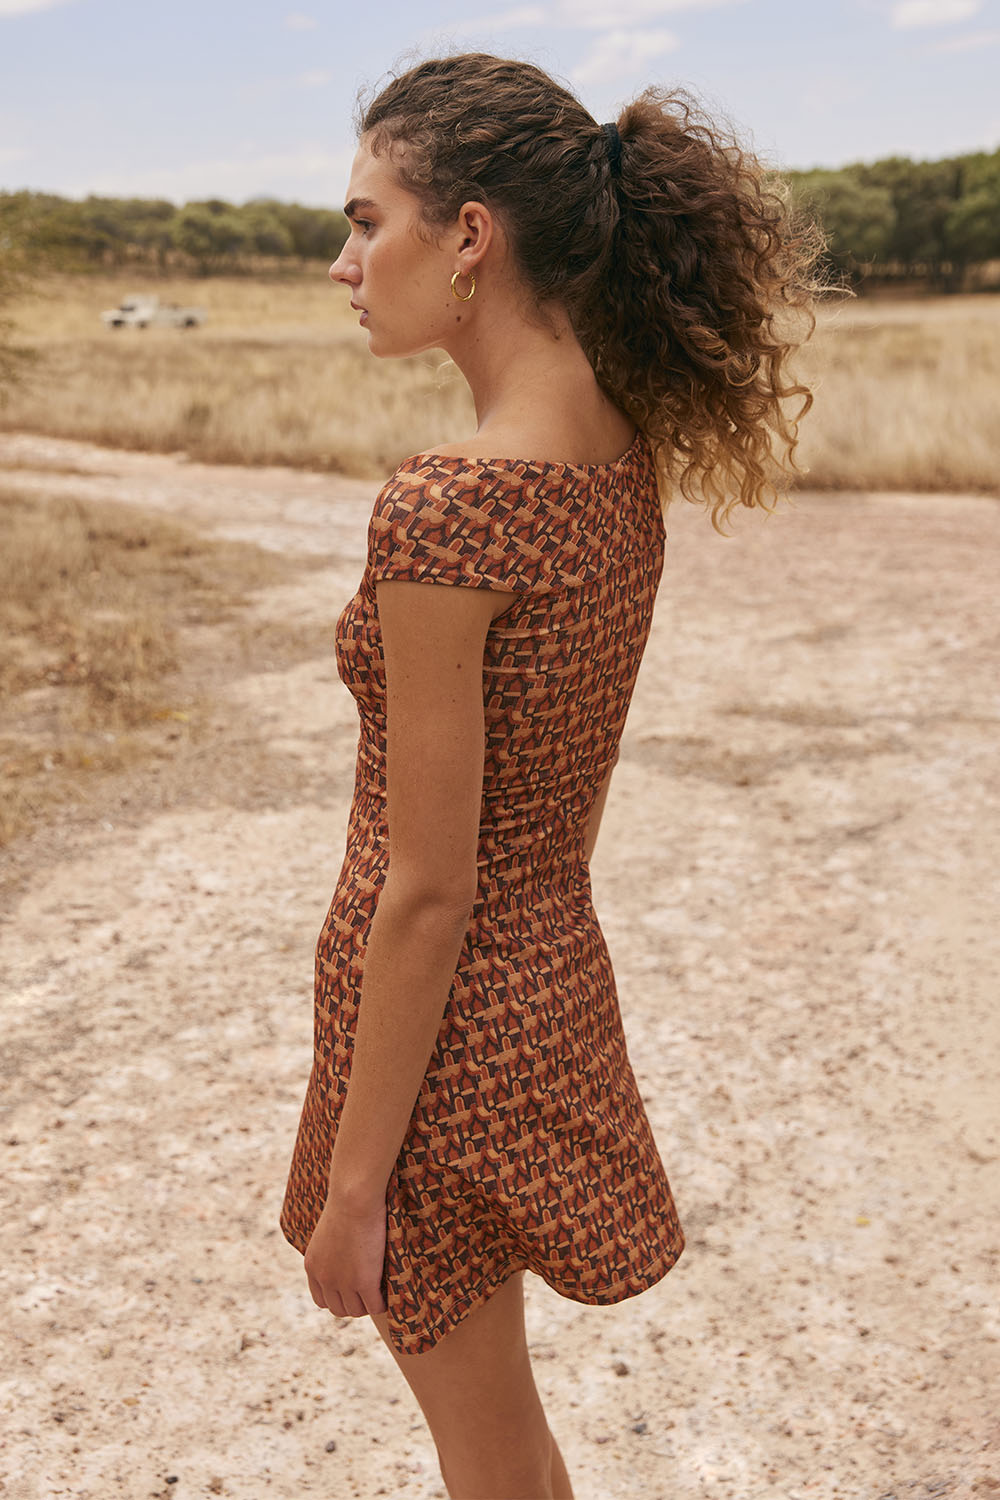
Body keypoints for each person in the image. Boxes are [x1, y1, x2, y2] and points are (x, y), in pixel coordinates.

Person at [279, 52, 820, 1500]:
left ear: (470, 235)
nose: (343, 263)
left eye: (366, 221)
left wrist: (354, 1182)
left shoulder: (452, 504)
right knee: (505, 1442)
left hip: (439, 1035)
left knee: (488, 1451)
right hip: (545, 985)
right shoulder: (619, 454)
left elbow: (429, 889)